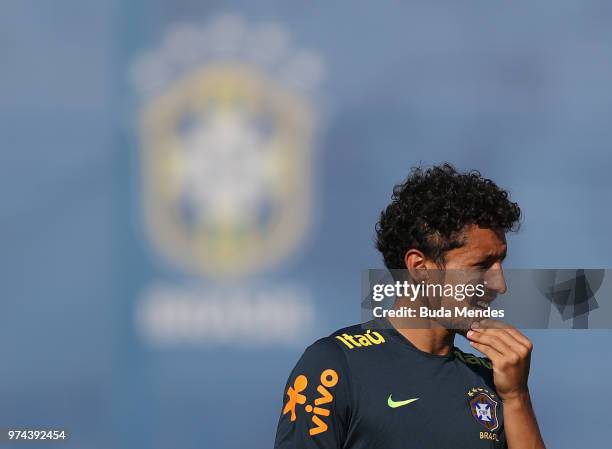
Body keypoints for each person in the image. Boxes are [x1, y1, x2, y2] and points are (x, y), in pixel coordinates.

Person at [273, 163, 546, 449]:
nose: (499, 285)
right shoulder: (335, 366)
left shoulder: (491, 381)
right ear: (420, 268)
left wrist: (517, 397)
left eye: (500, 262)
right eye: (481, 266)